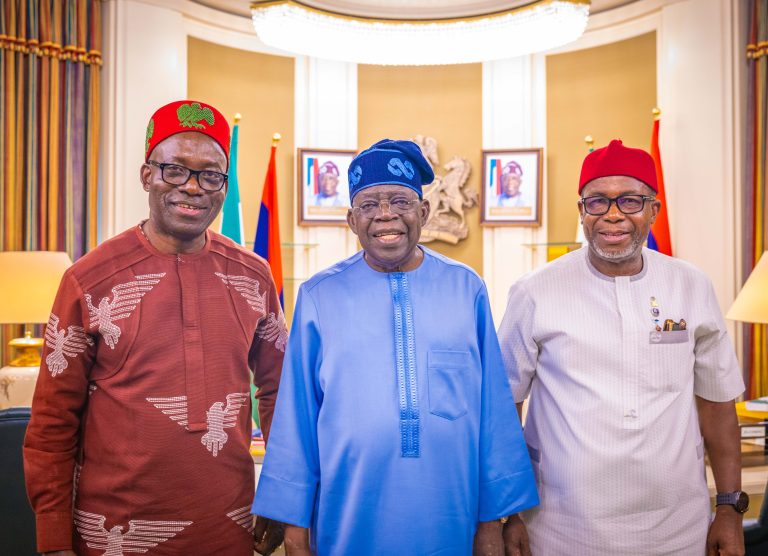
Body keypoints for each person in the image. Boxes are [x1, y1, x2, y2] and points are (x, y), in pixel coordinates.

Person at [24, 100, 287, 556]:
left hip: (228, 528)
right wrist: (53, 536)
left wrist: (281, 496)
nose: (193, 187)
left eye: (210, 175)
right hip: (113, 535)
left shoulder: (253, 276)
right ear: (147, 175)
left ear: (224, 187)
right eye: (175, 170)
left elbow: (280, 393)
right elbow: (52, 419)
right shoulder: (89, 279)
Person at [252, 139, 539, 555]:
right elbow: (297, 415)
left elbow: (492, 409)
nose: (385, 214)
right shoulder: (318, 296)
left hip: (452, 512)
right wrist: (295, 525)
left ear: (424, 212)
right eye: (369, 205)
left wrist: (497, 519)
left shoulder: (466, 288)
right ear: (352, 220)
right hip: (347, 514)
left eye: (400, 201)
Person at [498, 139, 746, 555]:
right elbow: (505, 408)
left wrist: (729, 509)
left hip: (678, 529)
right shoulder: (534, 292)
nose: (613, 214)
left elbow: (718, 405)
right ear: (582, 211)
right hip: (560, 529)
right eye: (597, 201)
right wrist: (509, 513)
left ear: (654, 210)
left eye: (630, 200)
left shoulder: (691, 285)